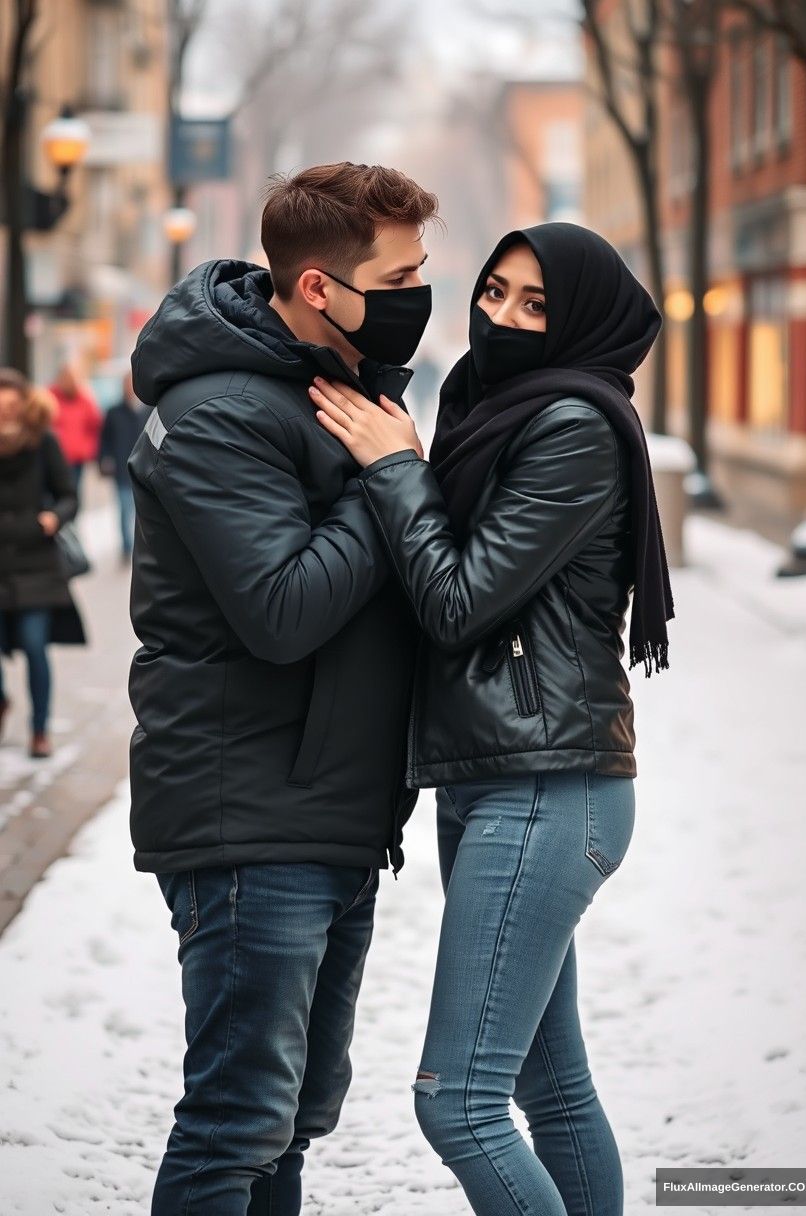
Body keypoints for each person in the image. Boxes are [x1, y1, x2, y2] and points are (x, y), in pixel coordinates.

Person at [311, 222, 674, 1216]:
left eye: (534, 305)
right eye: (493, 292)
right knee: (544, 1087)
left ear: (582, 323)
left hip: (548, 784)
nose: (499, 317)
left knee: (457, 1102)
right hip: (494, 773)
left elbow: (460, 601)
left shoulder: (571, 423)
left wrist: (396, 469)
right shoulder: (496, 407)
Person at [127, 162, 439, 1215]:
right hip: (248, 814)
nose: (417, 293)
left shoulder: (347, 389)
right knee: (236, 1122)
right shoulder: (217, 410)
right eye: (398, 275)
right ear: (316, 288)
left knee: (292, 1119)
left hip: (328, 811)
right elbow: (282, 609)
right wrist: (387, 478)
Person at [0, 368, 86, 759]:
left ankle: (39, 730)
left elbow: (69, 494)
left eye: (11, 407)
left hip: (35, 561)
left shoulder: (43, 441)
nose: (5, 415)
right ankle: (2, 701)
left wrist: (53, 517)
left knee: (35, 646)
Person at [98, 371, 150, 562]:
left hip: (144, 470)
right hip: (121, 468)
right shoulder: (113, 412)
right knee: (123, 509)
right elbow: (104, 440)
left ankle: (141, 547)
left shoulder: (149, 410)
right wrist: (104, 460)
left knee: (142, 511)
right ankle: (127, 548)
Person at [49, 360, 102, 503]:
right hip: (55, 456)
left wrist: (87, 448)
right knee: (53, 493)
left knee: (73, 493)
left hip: (76, 458)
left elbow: (95, 426)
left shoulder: (84, 399)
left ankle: (72, 523)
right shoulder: (51, 397)